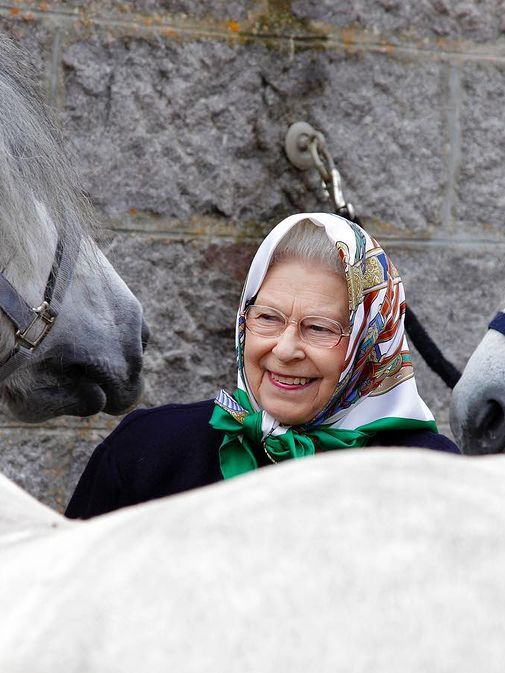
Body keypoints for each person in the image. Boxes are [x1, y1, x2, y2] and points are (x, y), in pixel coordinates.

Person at [65, 213, 458, 519]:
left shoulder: (436, 482)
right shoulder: (147, 451)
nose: (284, 349)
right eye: (267, 318)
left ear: (369, 345)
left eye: (319, 328)